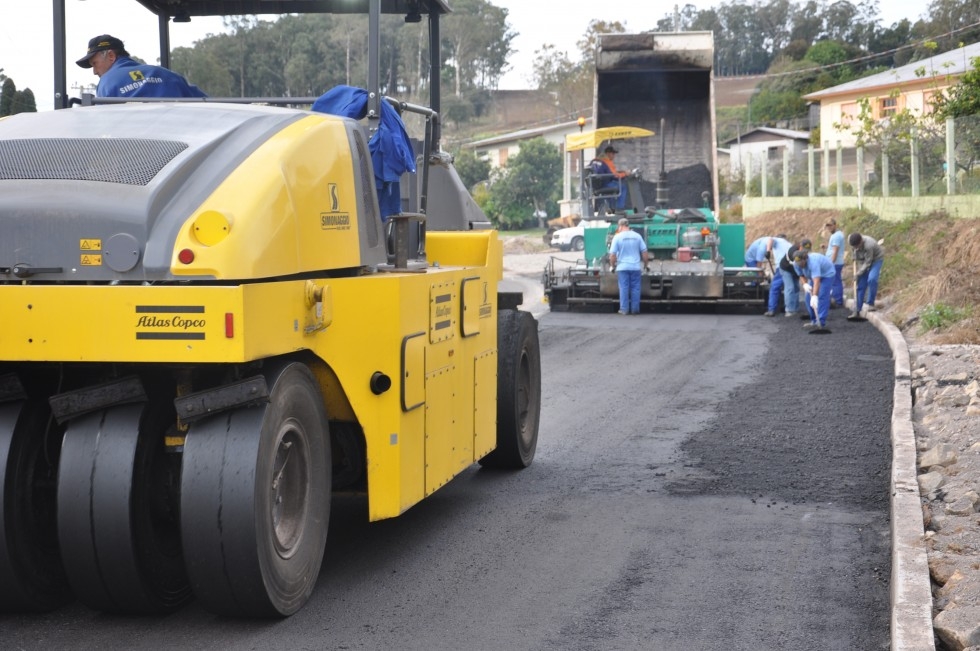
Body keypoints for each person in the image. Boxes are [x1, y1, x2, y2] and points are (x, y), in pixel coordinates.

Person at [76, 35, 207, 99]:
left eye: (95, 64)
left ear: (111, 56)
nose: (94, 72)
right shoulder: (169, 76)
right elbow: (209, 103)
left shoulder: (107, 83)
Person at [744, 235, 793, 316]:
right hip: (751, 259)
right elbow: (758, 265)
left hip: (783, 266)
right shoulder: (785, 243)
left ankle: (772, 309)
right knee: (790, 287)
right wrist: (761, 277)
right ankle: (792, 309)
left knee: (774, 287)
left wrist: (768, 251)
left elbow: (759, 265)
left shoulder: (771, 242)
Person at [609, 218, 649, 315]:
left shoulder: (617, 237)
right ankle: (635, 309)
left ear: (620, 226)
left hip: (622, 267)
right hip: (635, 267)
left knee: (624, 288)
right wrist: (646, 265)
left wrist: (612, 266)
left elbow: (612, 255)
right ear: (628, 225)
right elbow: (644, 252)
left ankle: (624, 309)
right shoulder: (637, 236)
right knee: (635, 288)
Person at [792, 247, 835, 334]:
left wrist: (815, 296)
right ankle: (814, 320)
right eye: (798, 263)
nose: (800, 265)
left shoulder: (813, 263)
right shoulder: (796, 263)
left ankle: (821, 322)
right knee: (808, 298)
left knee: (822, 296)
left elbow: (817, 281)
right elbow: (801, 275)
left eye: (802, 263)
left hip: (827, 274)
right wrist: (804, 284)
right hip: (813, 276)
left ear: (806, 259)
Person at [848, 232, 885, 320]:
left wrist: (858, 273)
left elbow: (868, 263)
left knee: (872, 279)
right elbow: (855, 254)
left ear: (861, 242)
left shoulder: (869, 245)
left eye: (856, 246)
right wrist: (854, 255)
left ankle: (870, 303)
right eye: (854, 247)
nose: (855, 248)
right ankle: (857, 309)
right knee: (860, 284)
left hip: (876, 260)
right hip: (862, 260)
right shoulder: (851, 240)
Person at [590, 145, 629, 212]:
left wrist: (621, 172)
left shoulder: (594, 161)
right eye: (613, 153)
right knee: (622, 187)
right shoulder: (607, 161)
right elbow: (615, 176)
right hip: (604, 184)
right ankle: (619, 208)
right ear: (608, 153)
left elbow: (606, 171)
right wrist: (625, 174)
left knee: (612, 187)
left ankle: (611, 208)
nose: (614, 156)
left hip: (595, 186)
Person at [779, 238, 812, 319]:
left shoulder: (805, 254)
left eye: (807, 250)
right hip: (786, 269)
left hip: (795, 271)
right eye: (804, 249)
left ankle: (795, 308)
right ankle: (789, 310)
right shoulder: (793, 253)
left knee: (796, 288)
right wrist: (804, 283)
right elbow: (799, 269)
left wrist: (805, 283)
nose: (805, 251)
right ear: (800, 246)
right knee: (790, 288)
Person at [824, 218, 846, 308]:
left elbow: (835, 251)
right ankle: (836, 299)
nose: (829, 227)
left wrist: (831, 263)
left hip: (835, 263)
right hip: (835, 262)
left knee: (835, 282)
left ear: (835, 225)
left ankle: (838, 301)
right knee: (835, 281)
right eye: (827, 226)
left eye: (830, 225)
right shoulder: (837, 235)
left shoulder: (836, 236)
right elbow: (833, 248)